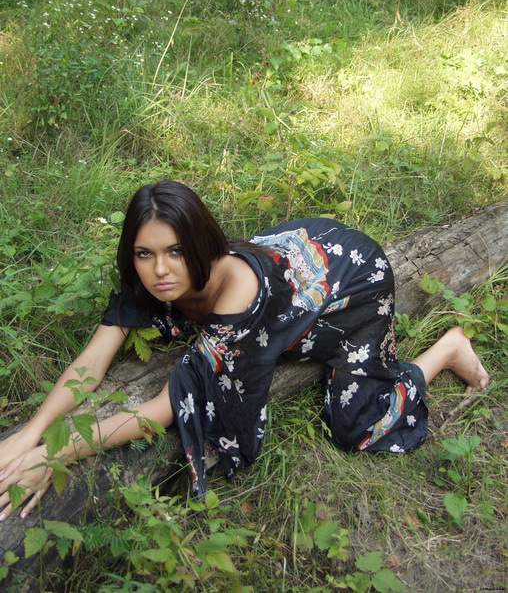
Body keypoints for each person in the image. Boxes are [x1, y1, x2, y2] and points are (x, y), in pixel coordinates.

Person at [0, 180, 489, 519]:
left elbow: (167, 405)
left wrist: (56, 453)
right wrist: (30, 434)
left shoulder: (238, 293)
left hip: (348, 280)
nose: (160, 270)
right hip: (301, 250)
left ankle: (447, 348)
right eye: (145, 253)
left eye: (176, 251)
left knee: (358, 424)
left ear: (202, 245)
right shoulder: (152, 279)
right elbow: (93, 359)